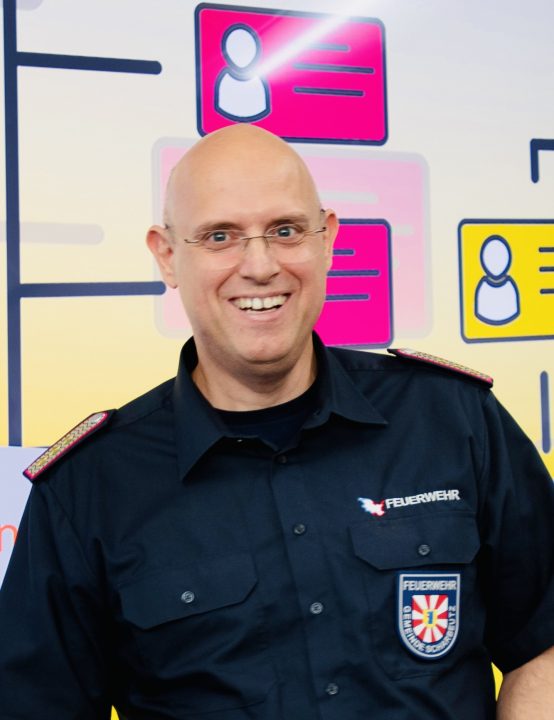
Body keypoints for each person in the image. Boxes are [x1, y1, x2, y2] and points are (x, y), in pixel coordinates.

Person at [0, 124, 552, 720]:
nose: (260, 266)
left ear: (327, 238)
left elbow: (543, 642)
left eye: (286, 230)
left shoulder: (453, 418)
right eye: (220, 236)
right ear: (167, 256)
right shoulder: (88, 488)